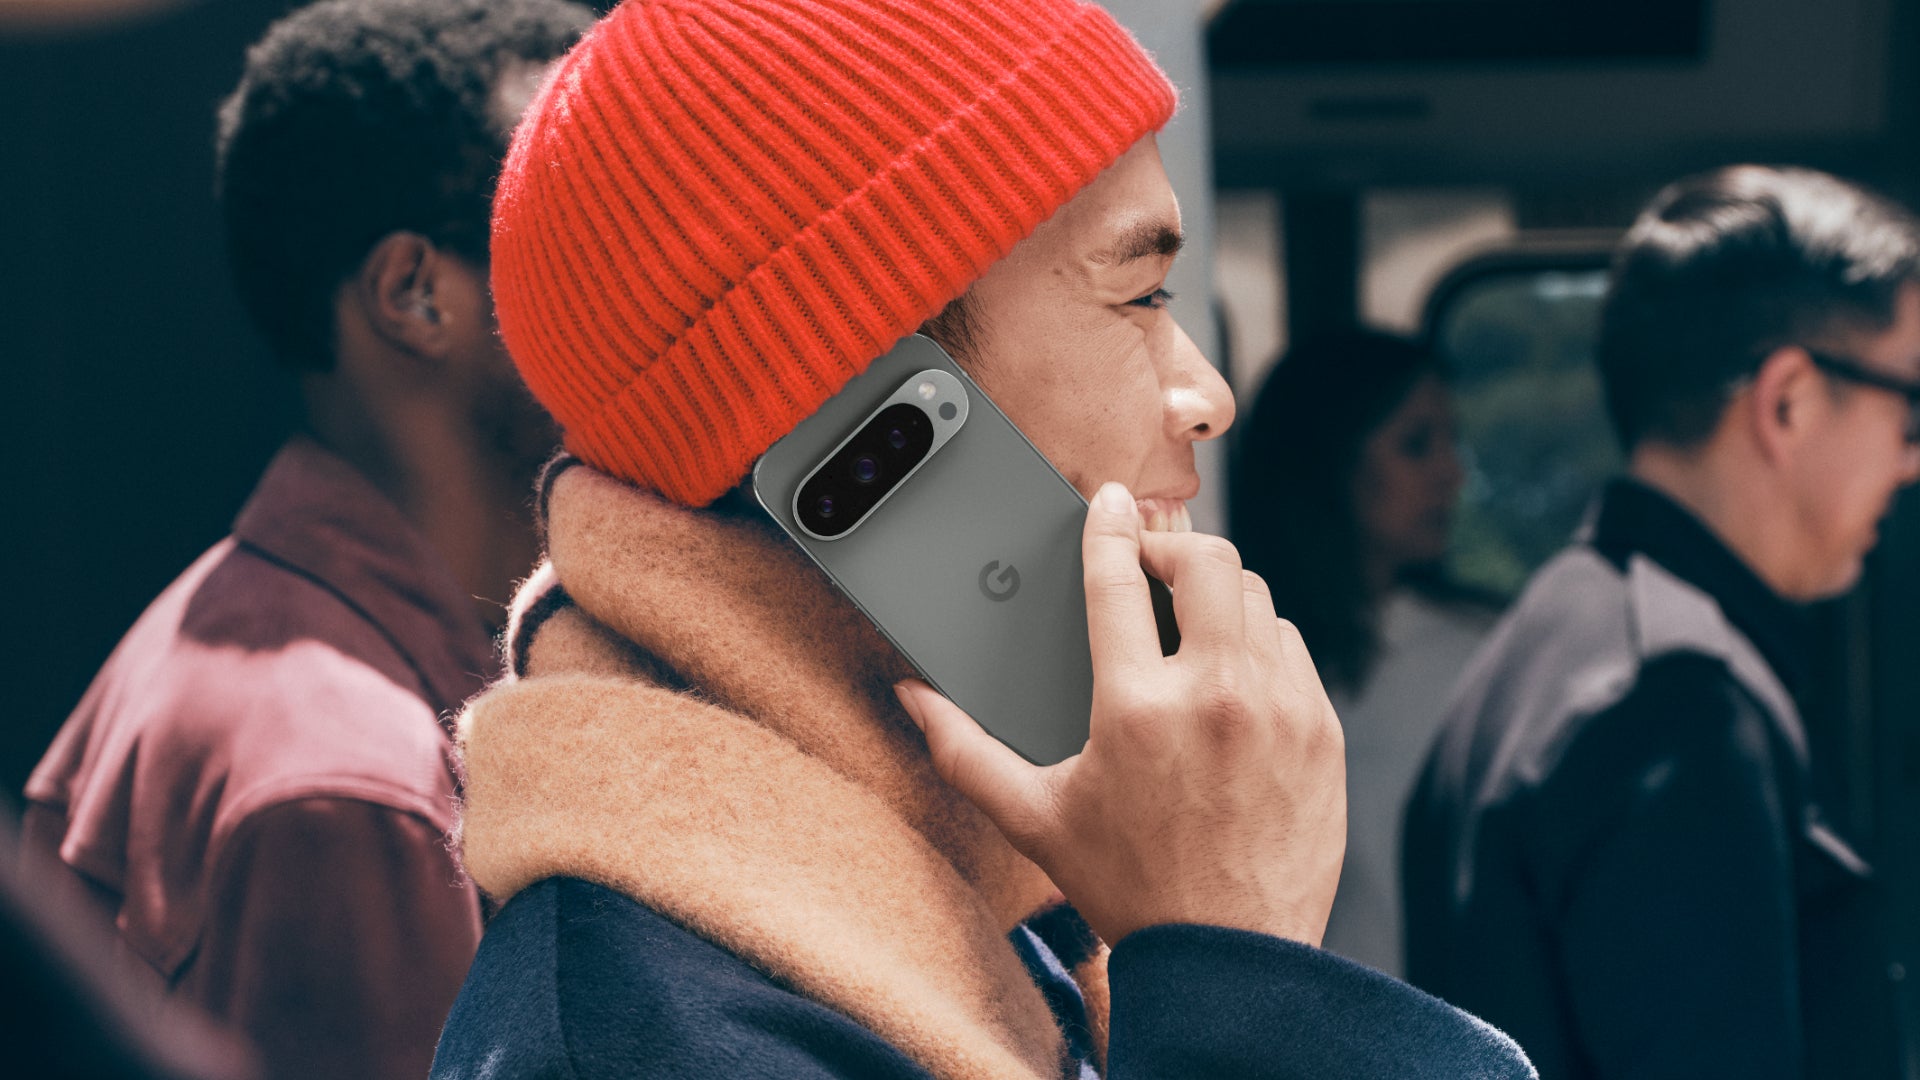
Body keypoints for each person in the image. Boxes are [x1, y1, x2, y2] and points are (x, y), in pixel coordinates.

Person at [429, 1, 1535, 1077]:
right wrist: (1243, 978)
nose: (1206, 393)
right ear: (861, 414)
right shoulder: (637, 1037)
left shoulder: (1013, 907)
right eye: (1140, 295)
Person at [20, 1, 593, 1077]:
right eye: (582, 230)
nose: (647, 286)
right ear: (416, 295)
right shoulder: (350, 785)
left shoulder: (251, 626)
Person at [1402, 165, 1920, 1079]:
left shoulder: (1549, 635)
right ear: (1788, 400)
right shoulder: (1677, 708)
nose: (1909, 462)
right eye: (1908, 409)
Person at [1231, 329, 1496, 976]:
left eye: (1449, 441)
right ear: (1330, 461)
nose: (1451, 472)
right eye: (1416, 444)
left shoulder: (1475, 656)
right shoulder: (1237, 662)